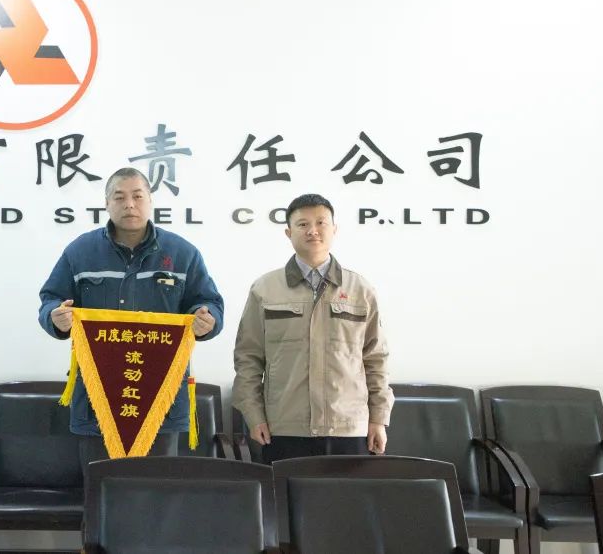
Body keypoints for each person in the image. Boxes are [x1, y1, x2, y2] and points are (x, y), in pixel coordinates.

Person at [39, 167, 224, 463]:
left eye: (138, 196)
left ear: (150, 201)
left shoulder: (182, 253)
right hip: (97, 399)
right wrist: (55, 317)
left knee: (155, 485)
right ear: (106, 203)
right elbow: (51, 300)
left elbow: (209, 303)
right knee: (101, 485)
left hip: (161, 399)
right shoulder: (80, 252)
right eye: (119, 197)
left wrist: (207, 320)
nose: (129, 204)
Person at [232, 193, 392, 462]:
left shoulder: (360, 290)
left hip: (348, 427)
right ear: (288, 232)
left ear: (334, 229)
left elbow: (375, 359)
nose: (313, 231)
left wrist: (378, 418)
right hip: (283, 426)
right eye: (303, 224)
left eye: (321, 223)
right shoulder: (265, 289)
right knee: (284, 491)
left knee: (347, 492)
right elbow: (248, 358)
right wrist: (254, 415)